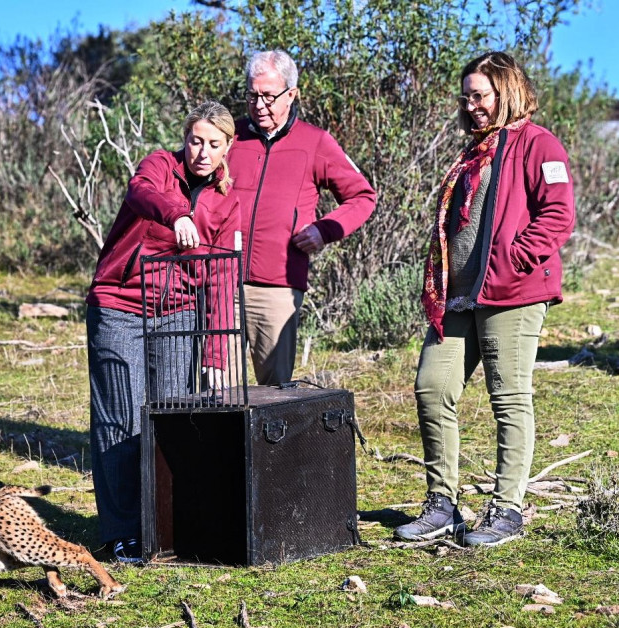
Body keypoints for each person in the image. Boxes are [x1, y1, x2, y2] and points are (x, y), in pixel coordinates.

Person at [395, 52, 575, 547]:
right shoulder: (475, 152)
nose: (471, 105)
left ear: (506, 92)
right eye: (467, 96)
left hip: (511, 292)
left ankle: (507, 510)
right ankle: (442, 505)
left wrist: (516, 259)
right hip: (460, 297)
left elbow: (558, 215)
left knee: (509, 397)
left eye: (480, 95)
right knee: (432, 387)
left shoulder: (539, 144)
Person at [86, 101, 241, 563]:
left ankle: (165, 527)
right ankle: (122, 532)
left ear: (228, 147)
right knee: (121, 418)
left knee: (170, 420)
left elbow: (219, 278)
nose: (202, 152)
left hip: (177, 313)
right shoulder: (159, 166)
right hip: (120, 305)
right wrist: (177, 214)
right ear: (185, 139)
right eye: (195, 141)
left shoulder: (228, 199)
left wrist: (214, 356)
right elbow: (141, 192)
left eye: (214, 144)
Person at [227, 49, 376, 385]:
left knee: (275, 391)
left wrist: (324, 231)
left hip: (277, 288)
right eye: (252, 94)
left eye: (268, 95)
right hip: (221, 281)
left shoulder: (315, 142)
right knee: (217, 393)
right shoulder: (229, 136)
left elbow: (363, 197)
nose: (259, 104)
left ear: (291, 94)